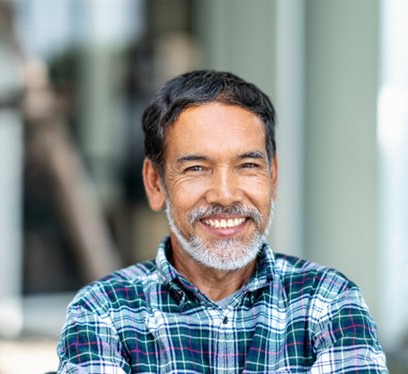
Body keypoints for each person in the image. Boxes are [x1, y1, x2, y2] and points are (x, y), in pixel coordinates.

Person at [56, 70, 387, 373]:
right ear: (156, 184)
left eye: (247, 166)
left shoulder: (327, 300)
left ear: (273, 178)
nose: (226, 195)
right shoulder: (104, 312)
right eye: (197, 168)